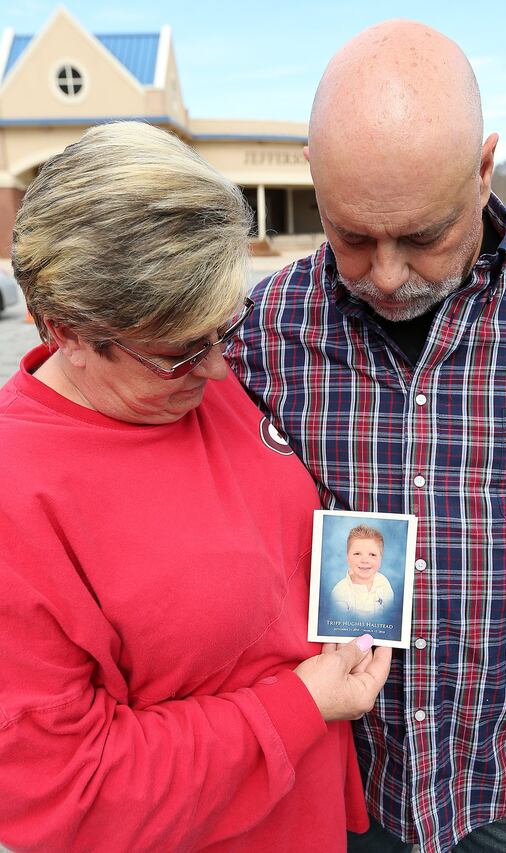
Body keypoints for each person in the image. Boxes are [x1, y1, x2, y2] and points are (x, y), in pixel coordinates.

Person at [226, 19, 506, 853]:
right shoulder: (258, 331)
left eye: (424, 236)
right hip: (349, 788)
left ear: (483, 170)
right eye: (352, 236)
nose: (387, 277)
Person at [0, 121, 392, 853]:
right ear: (64, 330)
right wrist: (301, 703)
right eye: (181, 353)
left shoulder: (191, 384)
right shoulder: (17, 494)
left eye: (225, 329)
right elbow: (62, 789)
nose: (218, 372)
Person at [332, 525, 394, 616]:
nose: (365, 560)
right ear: (347, 558)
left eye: (372, 555)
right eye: (357, 554)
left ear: (381, 558)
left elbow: (390, 616)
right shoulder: (340, 592)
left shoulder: (384, 583)